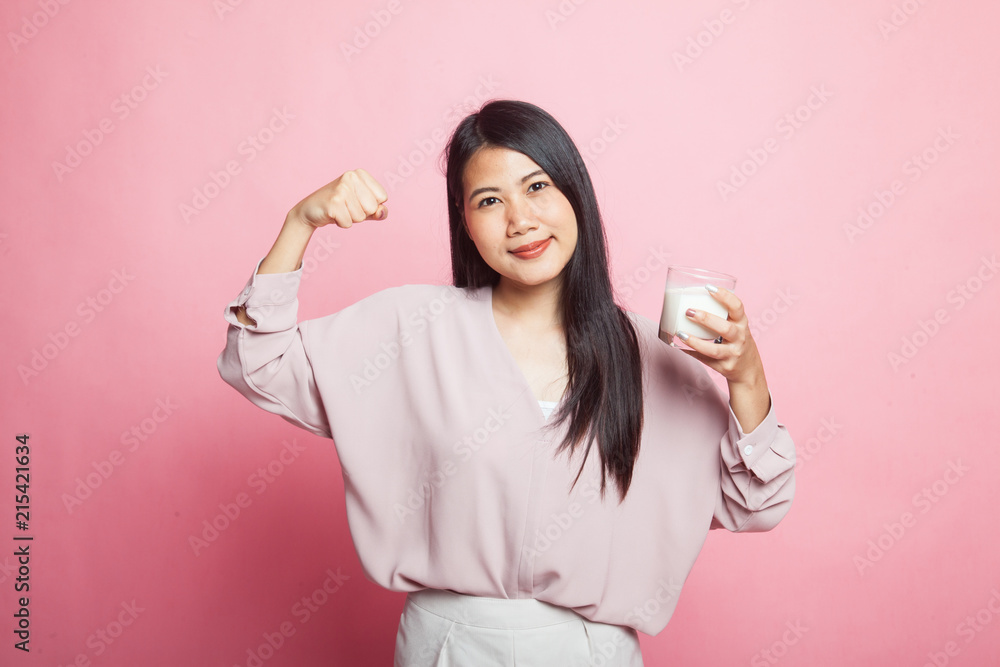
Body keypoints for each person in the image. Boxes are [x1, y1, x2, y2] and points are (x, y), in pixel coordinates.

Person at [217, 100, 796, 666]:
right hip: (448, 646)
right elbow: (259, 363)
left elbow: (757, 503)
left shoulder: (654, 358)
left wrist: (747, 376)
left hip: (591, 652)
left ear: (578, 197)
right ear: (465, 224)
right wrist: (301, 222)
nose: (520, 220)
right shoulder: (413, 327)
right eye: (490, 200)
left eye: (538, 186)